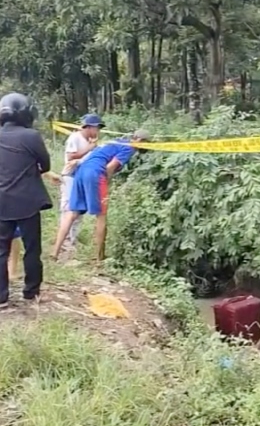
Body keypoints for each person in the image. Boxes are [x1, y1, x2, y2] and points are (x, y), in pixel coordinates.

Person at [51, 129, 150, 262]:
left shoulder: (117, 141)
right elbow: (109, 167)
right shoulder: (129, 147)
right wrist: (107, 184)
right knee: (101, 216)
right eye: (146, 143)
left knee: (72, 213)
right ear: (139, 140)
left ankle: (55, 252)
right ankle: (99, 257)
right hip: (96, 173)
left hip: (81, 172)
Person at [0, 92, 53, 309]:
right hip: (27, 202)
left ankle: (1, 297)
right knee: (32, 248)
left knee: (1, 250)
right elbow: (46, 165)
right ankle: (31, 292)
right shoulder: (31, 136)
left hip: (1, 202)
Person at [60, 113, 103, 251]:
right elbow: (71, 156)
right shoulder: (75, 137)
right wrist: (90, 148)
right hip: (71, 176)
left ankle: (72, 239)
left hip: (81, 177)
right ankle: (65, 241)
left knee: (78, 209)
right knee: (68, 208)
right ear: (89, 127)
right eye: (97, 128)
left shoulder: (90, 141)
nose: (98, 131)